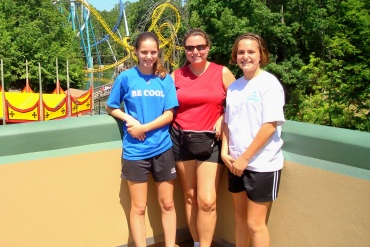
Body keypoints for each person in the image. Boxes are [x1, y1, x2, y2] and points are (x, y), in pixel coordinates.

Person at [106, 31, 179, 247]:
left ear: (158, 52)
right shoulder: (125, 78)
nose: (149, 56)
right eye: (144, 52)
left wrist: (143, 127)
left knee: (167, 203)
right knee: (138, 207)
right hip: (135, 151)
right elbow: (111, 107)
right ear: (136, 52)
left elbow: (169, 114)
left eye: (153, 52)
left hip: (162, 148)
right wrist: (129, 118)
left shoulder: (164, 79)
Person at [170, 28, 236, 247]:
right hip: (181, 138)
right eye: (190, 48)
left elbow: (240, 103)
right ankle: (197, 242)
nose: (195, 52)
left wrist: (223, 116)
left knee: (207, 201)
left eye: (200, 47)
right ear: (185, 50)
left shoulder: (222, 72)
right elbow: (165, 107)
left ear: (208, 48)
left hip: (211, 140)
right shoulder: (176, 75)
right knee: (189, 196)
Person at [221, 32, 285, 247]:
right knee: (239, 218)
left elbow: (270, 125)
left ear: (261, 55)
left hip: (262, 164)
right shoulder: (235, 87)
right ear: (235, 56)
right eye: (241, 52)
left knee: (255, 223)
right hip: (235, 163)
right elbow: (227, 123)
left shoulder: (269, 84)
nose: (245, 56)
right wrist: (224, 152)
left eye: (251, 52)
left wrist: (245, 158)